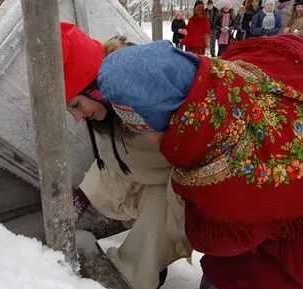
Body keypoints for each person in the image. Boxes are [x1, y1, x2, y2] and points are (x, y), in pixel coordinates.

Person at [96, 33, 303, 289]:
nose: (149, 140)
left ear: (169, 118)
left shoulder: (234, 178)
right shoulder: (236, 69)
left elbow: (212, 239)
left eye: (146, 130)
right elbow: (289, 47)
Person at [60, 22, 193, 289]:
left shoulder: (145, 104)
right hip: (156, 182)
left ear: (93, 88)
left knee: (156, 221)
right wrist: (80, 199)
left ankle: (135, 280)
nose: (76, 117)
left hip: (186, 186)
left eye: (76, 104)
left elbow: (187, 157)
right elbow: (114, 161)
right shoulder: (104, 113)